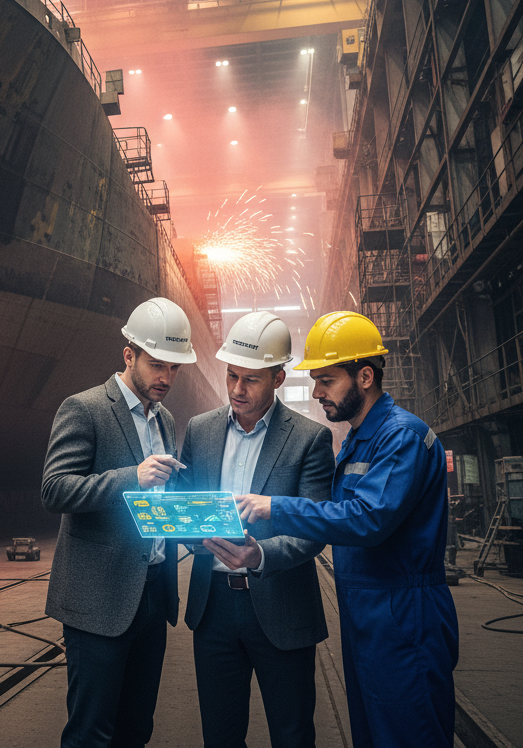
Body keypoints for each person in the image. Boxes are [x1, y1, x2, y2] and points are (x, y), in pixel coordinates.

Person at [236, 311, 459, 748]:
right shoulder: (359, 440)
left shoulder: (400, 438)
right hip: (368, 619)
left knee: (409, 734)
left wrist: (275, 507)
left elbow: (367, 519)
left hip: (405, 616)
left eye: (326, 380)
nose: (316, 392)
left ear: (365, 376)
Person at [41, 296, 193, 748]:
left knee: (136, 729)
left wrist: (195, 521)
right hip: (98, 600)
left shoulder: (164, 418)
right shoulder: (84, 408)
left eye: (174, 368)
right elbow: (55, 490)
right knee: (92, 733)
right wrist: (133, 478)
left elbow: (158, 504)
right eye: (157, 365)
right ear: (129, 355)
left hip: (153, 595)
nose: (166, 378)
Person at [179, 311, 334, 748]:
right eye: (231, 376)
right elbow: (186, 507)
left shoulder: (309, 439)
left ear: (279, 378)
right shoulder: (200, 430)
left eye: (251, 380)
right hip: (213, 609)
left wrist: (260, 555)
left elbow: (314, 527)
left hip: (282, 606)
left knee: (292, 735)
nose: (236, 389)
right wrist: (181, 526)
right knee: (220, 737)